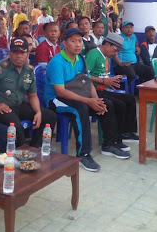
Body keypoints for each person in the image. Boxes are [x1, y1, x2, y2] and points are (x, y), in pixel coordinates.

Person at [44, 28, 111, 172]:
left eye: (80, 41)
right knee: (80, 109)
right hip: (55, 99)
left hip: (75, 94)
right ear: (65, 43)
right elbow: (60, 91)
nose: (78, 44)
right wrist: (88, 101)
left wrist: (96, 100)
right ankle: (83, 154)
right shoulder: (57, 62)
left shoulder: (81, 59)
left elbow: (88, 82)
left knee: (105, 103)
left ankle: (110, 144)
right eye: (73, 41)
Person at [0, 38, 56, 147]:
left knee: (49, 116)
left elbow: (32, 95)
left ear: (27, 54)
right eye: (15, 52)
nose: (19, 56)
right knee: (16, 128)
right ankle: (18, 153)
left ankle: (35, 149)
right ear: (10, 54)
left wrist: (38, 112)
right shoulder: (0, 69)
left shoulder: (29, 71)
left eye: (22, 52)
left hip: (18, 105)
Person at [86, 33, 139, 156]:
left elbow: (102, 75)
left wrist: (112, 79)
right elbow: (85, 76)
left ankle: (125, 133)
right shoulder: (93, 55)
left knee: (129, 99)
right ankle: (109, 143)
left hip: (103, 89)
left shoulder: (106, 56)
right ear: (107, 44)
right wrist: (104, 81)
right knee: (115, 104)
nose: (116, 53)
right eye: (115, 50)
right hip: (91, 91)